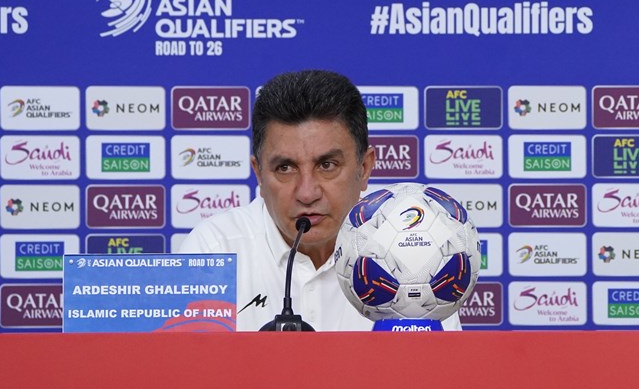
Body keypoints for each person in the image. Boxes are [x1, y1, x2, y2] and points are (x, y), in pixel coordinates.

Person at [180, 69, 461, 331]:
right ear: (259, 175)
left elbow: (435, 368)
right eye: (285, 168)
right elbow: (186, 366)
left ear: (364, 168)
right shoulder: (214, 252)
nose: (307, 193)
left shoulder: (418, 256)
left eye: (327, 165)